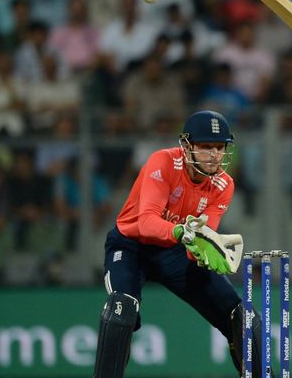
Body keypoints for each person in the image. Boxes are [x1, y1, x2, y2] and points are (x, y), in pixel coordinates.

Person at [92, 110, 267, 377]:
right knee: (122, 310)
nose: (214, 155)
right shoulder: (162, 162)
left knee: (242, 318)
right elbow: (146, 223)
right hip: (130, 246)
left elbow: (203, 235)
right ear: (187, 146)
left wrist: (206, 251)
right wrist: (181, 232)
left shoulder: (223, 184)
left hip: (176, 251)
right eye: (206, 147)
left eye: (219, 147)